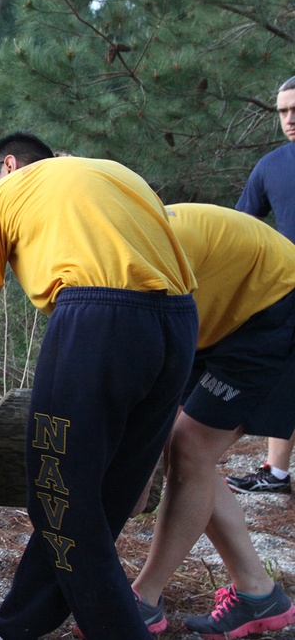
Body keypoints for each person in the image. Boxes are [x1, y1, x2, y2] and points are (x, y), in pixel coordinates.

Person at [0, 133, 198, 640]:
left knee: (57, 497)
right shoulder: (112, 172)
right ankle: (13, 630)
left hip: (98, 318)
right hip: (179, 321)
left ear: (9, 165)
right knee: (95, 502)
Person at [128, 203, 295, 639]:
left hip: (275, 305)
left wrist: (135, 484)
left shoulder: (140, 251)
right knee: (186, 451)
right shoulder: (108, 242)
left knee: (188, 448)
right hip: (218, 319)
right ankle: (258, 593)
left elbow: (147, 396)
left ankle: (143, 601)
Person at [228, 75, 295, 495]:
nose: (289, 119)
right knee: (286, 377)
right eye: (283, 112)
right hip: (290, 291)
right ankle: (276, 472)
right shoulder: (271, 166)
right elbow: (240, 229)